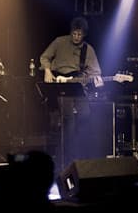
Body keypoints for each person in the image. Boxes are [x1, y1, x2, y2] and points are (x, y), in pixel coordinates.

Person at [39, 16, 104, 172]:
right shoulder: (59, 41)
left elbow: (96, 72)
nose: (76, 37)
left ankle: (82, 157)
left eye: (79, 34)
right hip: (59, 88)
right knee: (68, 123)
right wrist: (47, 70)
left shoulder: (88, 50)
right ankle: (66, 161)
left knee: (86, 116)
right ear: (71, 32)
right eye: (74, 33)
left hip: (77, 88)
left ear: (84, 35)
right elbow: (44, 57)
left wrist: (85, 79)